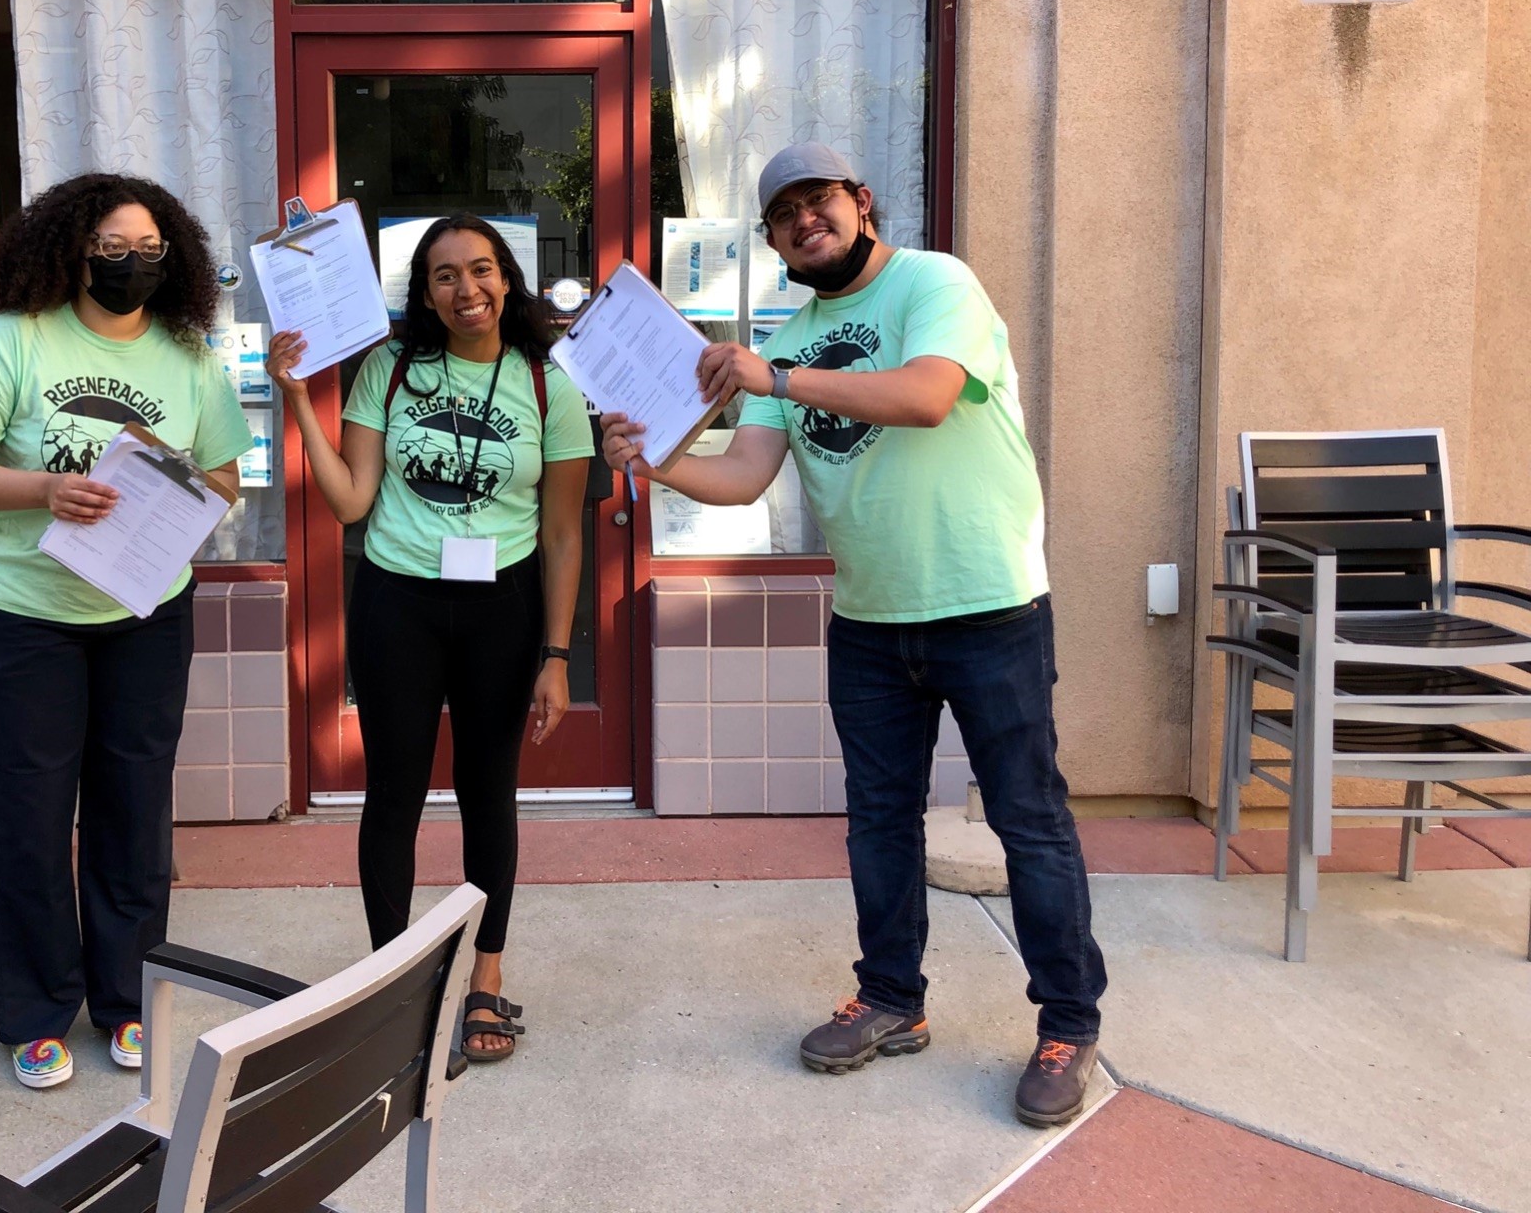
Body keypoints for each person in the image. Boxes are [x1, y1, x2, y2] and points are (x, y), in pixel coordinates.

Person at [600, 143, 1107, 1128]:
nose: (802, 220)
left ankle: (1066, 1023)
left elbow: (922, 395)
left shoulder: (932, 283)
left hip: (986, 607)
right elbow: (744, 476)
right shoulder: (790, 334)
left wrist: (777, 379)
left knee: (1027, 822)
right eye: (782, 212)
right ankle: (889, 1000)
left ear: (860, 204)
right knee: (877, 825)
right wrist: (652, 463)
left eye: (816, 200)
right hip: (870, 623)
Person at [0, 172, 251, 1090]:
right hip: (25, 615)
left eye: (150, 249)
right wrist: (45, 489)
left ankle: (127, 1000)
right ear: (71, 249)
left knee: (134, 812)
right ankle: (35, 1011)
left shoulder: (187, 358)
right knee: (24, 818)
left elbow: (226, 479)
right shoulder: (15, 340)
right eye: (114, 248)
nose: (132, 264)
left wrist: (174, 490)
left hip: (142, 612)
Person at [266, 214, 593, 1063]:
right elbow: (348, 502)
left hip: (503, 607)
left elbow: (563, 536)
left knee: (490, 794)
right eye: (444, 276)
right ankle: (390, 986)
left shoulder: (550, 383)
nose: (466, 289)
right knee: (394, 795)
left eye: (480, 270)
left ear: (507, 279)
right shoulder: (390, 368)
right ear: (424, 293)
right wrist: (299, 397)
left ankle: (484, 980)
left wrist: (556, 656)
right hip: (398, 605)